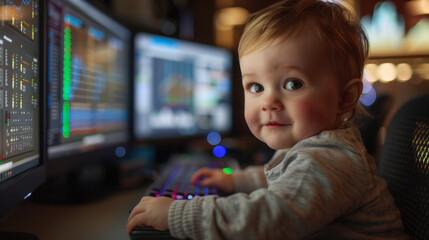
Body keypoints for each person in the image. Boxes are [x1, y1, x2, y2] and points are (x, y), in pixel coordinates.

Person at [127, 0, 408, 239]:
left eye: (293, 84)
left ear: (345, 98)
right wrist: (236, 180)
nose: (269, 102)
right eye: (256, 87)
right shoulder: (311, 147)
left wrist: (179, 214)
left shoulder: (331, 159)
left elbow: (271, 216)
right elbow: (283, 177)